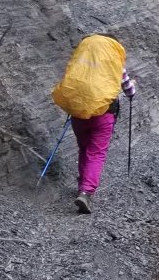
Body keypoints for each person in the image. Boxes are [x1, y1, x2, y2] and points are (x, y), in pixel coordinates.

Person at [51, 34, 136, 214]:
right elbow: (129, 90)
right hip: (103, 115)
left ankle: (82, 183)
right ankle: (86, 191)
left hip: (79, 114)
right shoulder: (113, 63)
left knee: (84, 148)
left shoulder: (82, 63)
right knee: (96, 153)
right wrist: (131, 89)